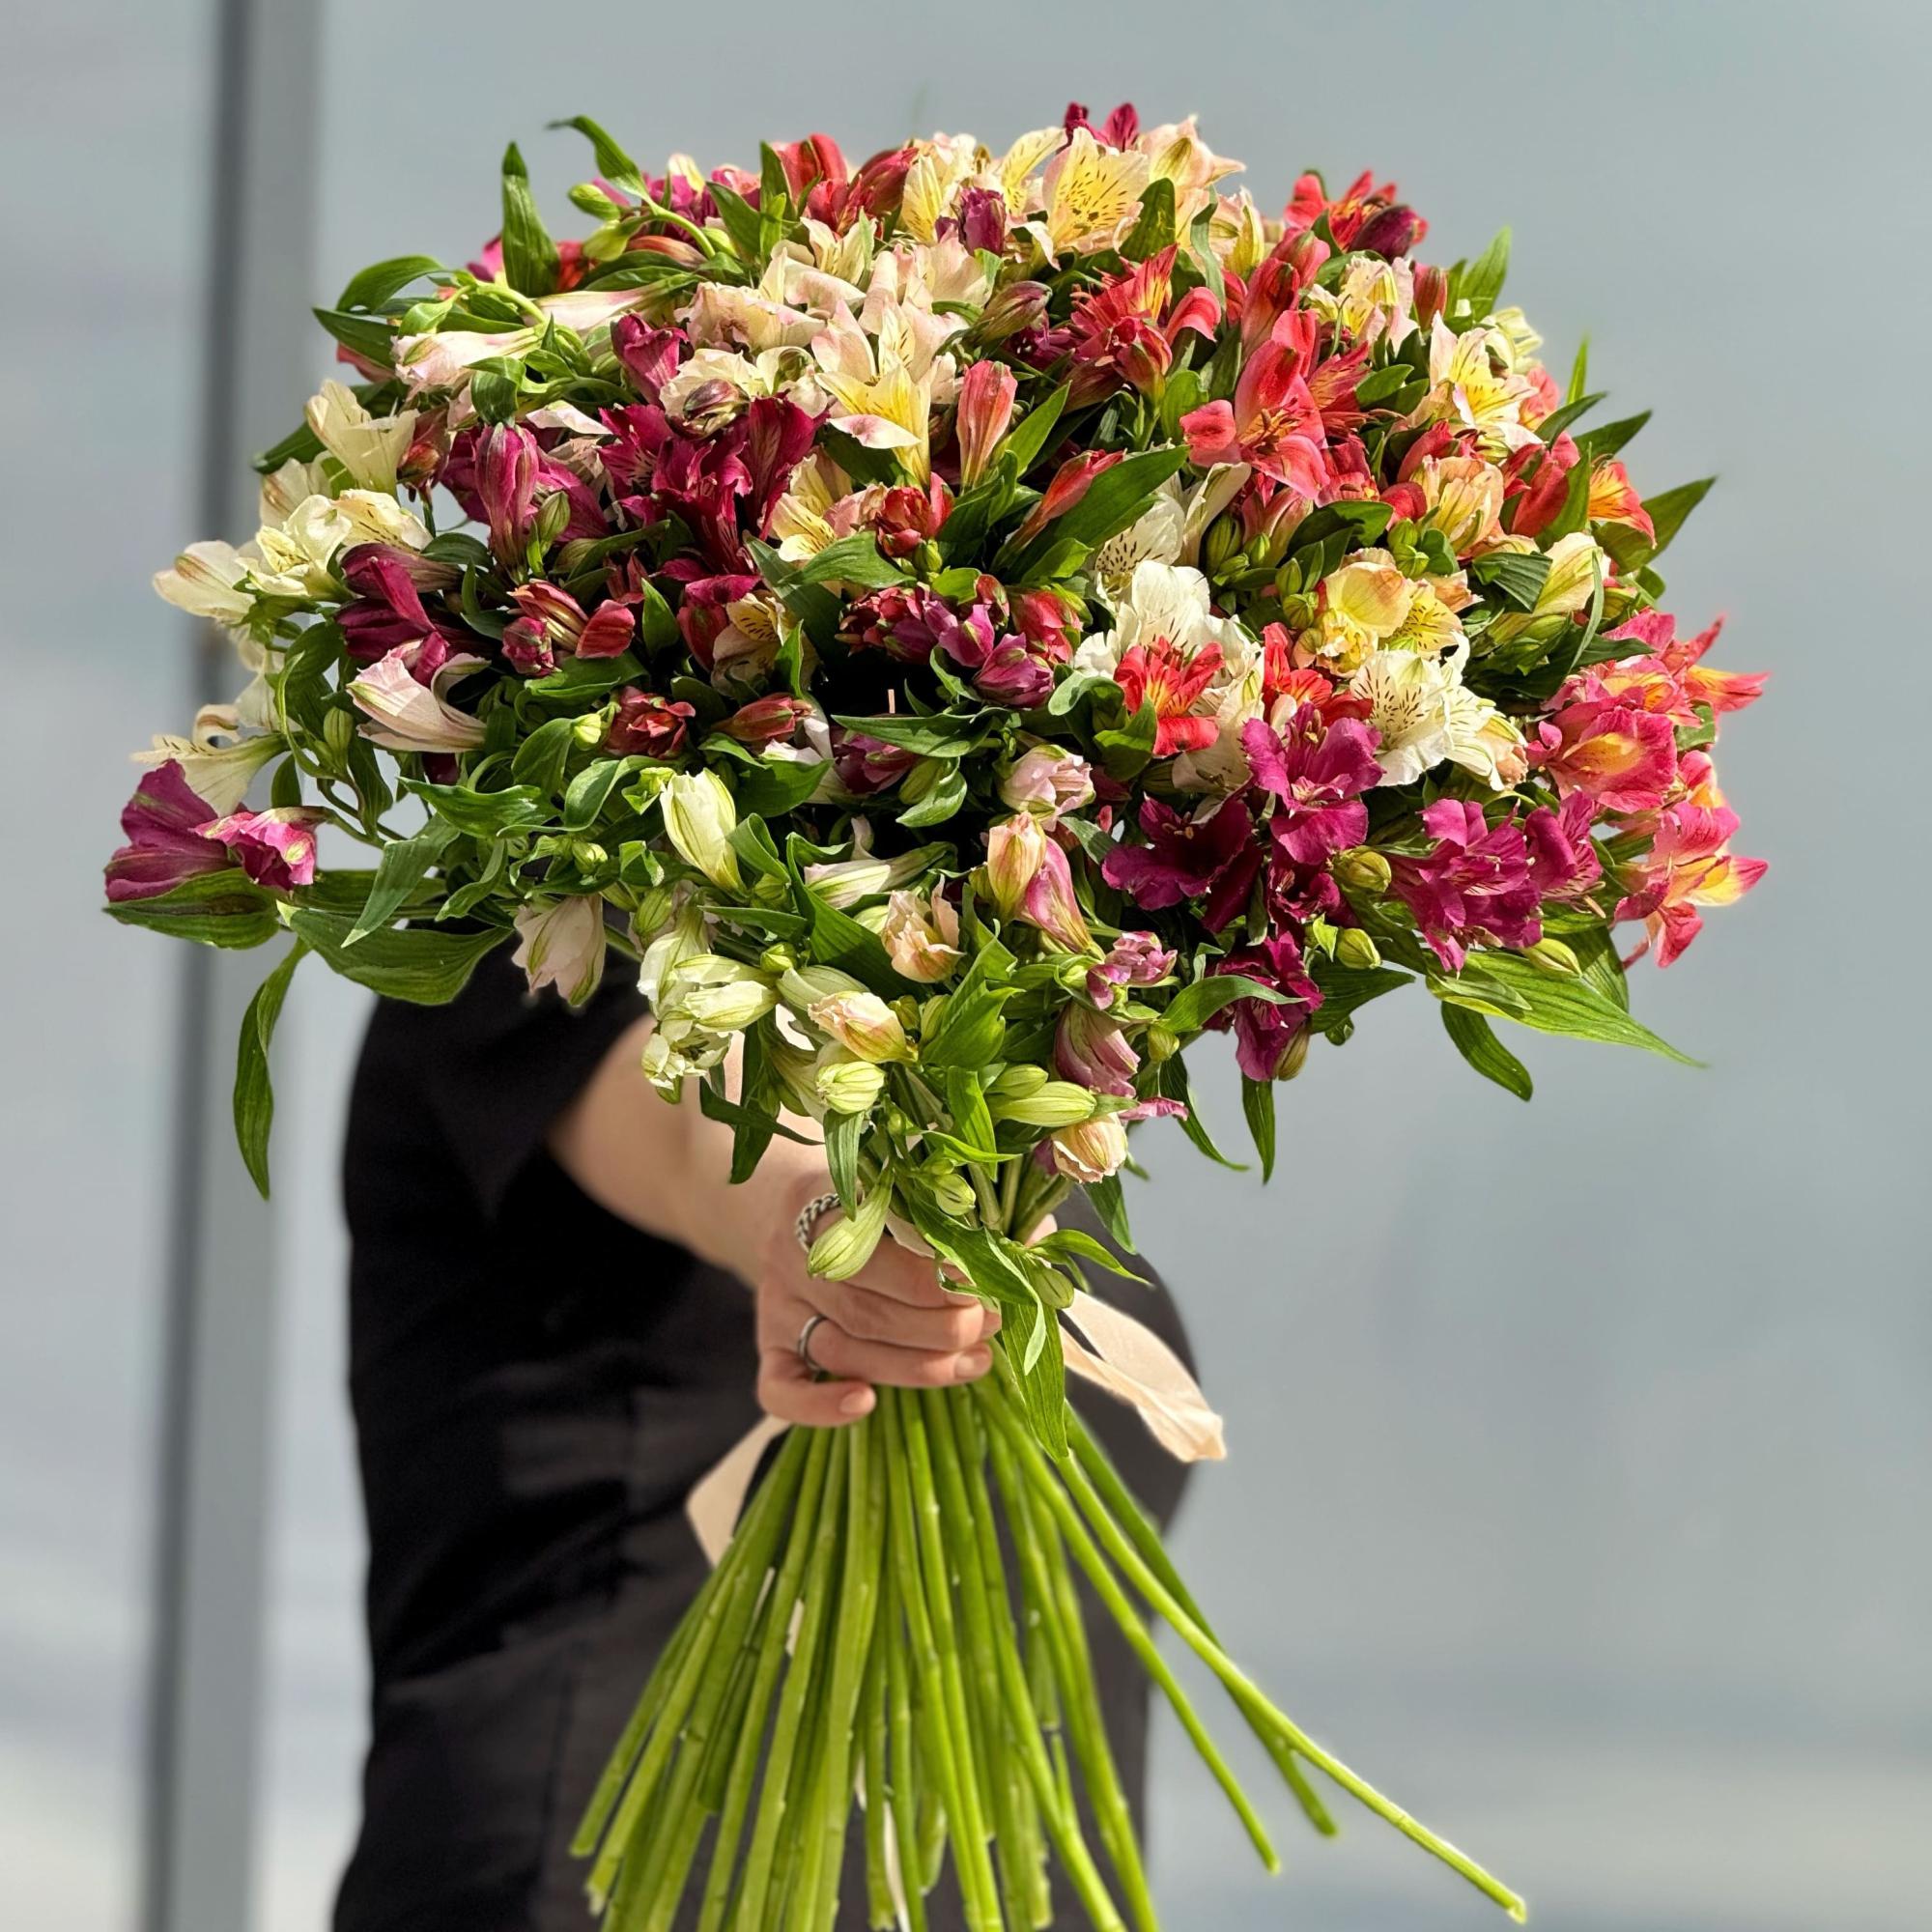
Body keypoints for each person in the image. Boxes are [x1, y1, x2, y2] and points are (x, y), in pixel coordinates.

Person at [332, 947, 1192, 1931]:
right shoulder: (536, 940)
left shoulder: (1007, 1081)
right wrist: (821, 1211)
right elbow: (697, 1124)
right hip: (615, 1866)